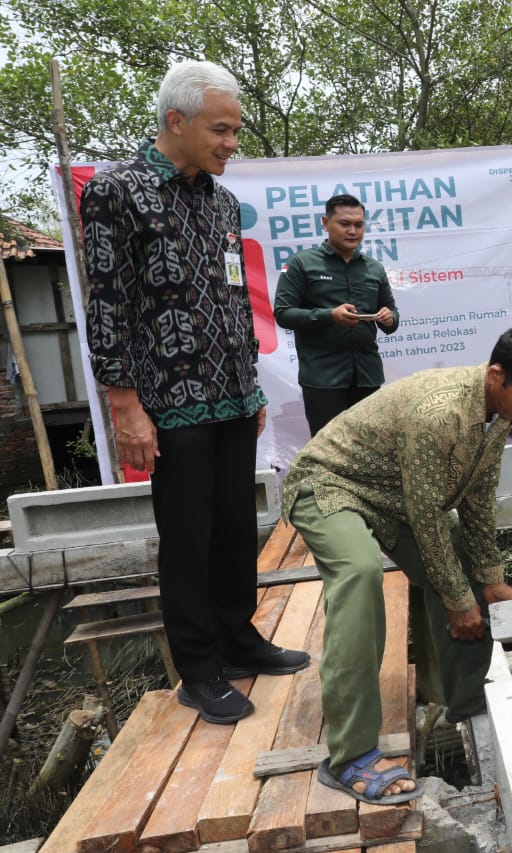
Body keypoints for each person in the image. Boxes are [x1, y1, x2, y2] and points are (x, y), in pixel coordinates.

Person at [82, 61, 309, 725]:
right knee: (189, 536)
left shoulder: (219, 201)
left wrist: (251, 382)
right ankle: (199, 668)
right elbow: (107, 306)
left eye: (236, 131)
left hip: (233, 394)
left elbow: (237, 296)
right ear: (174, 121)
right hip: (166, 401)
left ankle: (239, 639)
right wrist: (125, 405)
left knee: (238, 528)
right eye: (221, 129)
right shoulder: (117, 192)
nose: (231, 143)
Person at [283, 320, 512, 804]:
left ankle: (465, 698)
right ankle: (349, 756)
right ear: (497, 375)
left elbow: (478, 498)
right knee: (359, 572)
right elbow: (429, 517)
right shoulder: (439, 413)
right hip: (330, 484)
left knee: (467, 568)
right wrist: (460, 599)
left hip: (389, 497)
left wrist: (490, 580)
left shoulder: (498, 413)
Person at [273, 194, 400, 435]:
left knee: (370, 452)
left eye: (359, 225)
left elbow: (392, 316)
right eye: (345, 224)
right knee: (328, 454)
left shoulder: (374, 268)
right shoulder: (302, 263)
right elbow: (283, 313)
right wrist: (329, 316)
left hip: (368, 377)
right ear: (325, 223)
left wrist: (389, 318)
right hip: (323, 380)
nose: (353, 231)